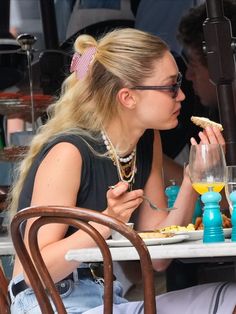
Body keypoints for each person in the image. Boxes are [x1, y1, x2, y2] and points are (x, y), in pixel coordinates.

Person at [8, 28, 226, 313]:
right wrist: (107, 221)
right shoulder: (70, 152)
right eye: (171, 86)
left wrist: (192, 179)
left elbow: (157, 257)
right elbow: (37, 268)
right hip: (49, 302)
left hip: (106, 297)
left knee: (228, 297)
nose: (182, 95)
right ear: (128, 97)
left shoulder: (147, 142)